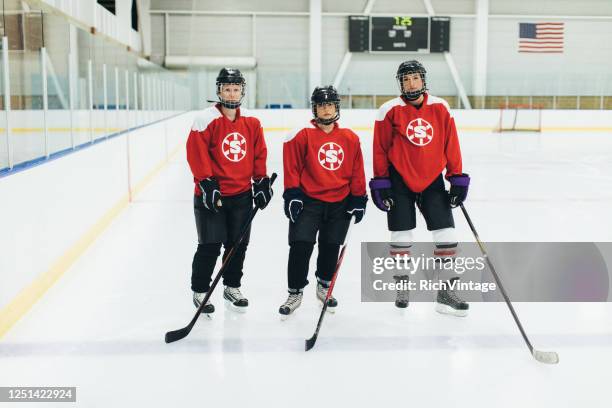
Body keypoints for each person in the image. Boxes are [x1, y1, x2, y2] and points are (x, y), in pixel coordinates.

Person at [369, 60, 471, 316]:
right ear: (400, 83)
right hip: (399, 181)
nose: (411, 83)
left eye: (415, 78)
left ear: (423, 80)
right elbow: (379, 149)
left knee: (446, 234)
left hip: (432, 180)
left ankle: (445, 292)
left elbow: (451, 143)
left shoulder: (440, 107)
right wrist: (381, 182)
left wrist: (456, 177)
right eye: (406, 79)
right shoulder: (388, 110)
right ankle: (403, 286)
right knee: (401, 237)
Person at [186, 67, 272, 315]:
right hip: (212, 196)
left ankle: (232, 287)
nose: (231, 94)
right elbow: (196, 154)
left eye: (235, 89)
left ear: (242, 91)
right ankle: (200, 289)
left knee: (237, 246)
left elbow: (259, 154)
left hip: (242, 195)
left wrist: (261, 182)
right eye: (227, 89)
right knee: (210, 245)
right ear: (219, 90)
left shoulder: (252, 123)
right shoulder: (205, 119)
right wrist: (206, 183)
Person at [279, 86, 367, 318]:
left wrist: (359, 197)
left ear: (336, 107)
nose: (326, 109)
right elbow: (292, 168)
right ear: (314, 108)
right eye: (321, 105)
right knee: (300, 245)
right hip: (309, 201)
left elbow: (357, 170)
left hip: (340, 202)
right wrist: (293, 194)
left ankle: (324, 285)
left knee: (331, 246)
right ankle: (295, 291)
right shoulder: (301, 135)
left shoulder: (350, 138)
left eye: (330, 105)